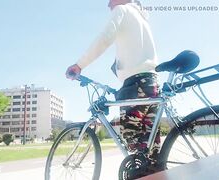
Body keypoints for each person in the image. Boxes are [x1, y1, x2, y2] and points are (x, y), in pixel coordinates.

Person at [65, 0, 160, 169]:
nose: (108, 5)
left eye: (110, 0)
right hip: (151, 84)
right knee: (150, 151)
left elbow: (105, 37)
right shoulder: (142, 18)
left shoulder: (122, 10)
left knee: (131, 140)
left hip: (135, 85)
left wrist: (79, 65)